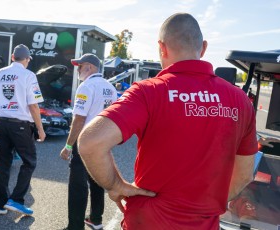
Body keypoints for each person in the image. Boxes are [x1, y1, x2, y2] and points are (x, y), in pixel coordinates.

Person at [78, 13, 258, 230]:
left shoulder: (149, 91)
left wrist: (115, 186)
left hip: (147, 222)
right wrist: (206, 203)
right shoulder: (240, 100)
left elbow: (90, 142)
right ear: (203, 48)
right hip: (203, 224)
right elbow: (245, 174)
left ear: (162, 48)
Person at [60, 53, 117, 230]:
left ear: (90, 67)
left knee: (77, 185)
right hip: (103, 141)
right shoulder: (110, 88)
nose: (78, 69)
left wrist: (68, 145)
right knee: (97, 180)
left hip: (85, 141)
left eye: (80, 65)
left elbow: (79, 120)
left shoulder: (86, 87)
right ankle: (96, 219)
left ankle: (75, 226)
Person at [0, 44, 46, 216]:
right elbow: (33, 106)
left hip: (3, 123)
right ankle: (16, 200)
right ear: (27, 59)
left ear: (13, 57)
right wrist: (40, 129)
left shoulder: (0, 73)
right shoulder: (28, 75)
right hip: (21, 125)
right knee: (29, 162)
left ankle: (2, 204)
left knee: (3, 163)